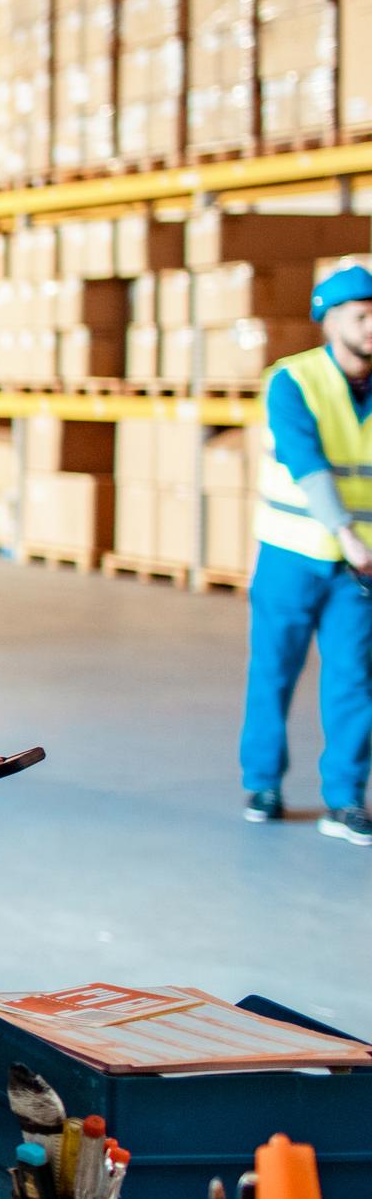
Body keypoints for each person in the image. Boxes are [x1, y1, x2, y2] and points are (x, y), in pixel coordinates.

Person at [240, 263, 372, 844]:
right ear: (329, 321)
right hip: (292, 555)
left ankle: (345, 800)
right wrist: (348, 535)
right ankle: (263, 783)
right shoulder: (292, 382)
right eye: (361, 316)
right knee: (274, 672)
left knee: (354, 680)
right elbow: (308, 464)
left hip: (357, 571)